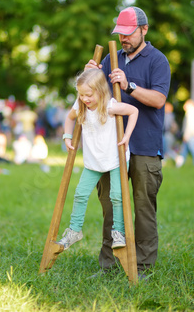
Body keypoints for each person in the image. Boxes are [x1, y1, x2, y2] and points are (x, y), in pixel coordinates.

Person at [84, 6, 171, 277]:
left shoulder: (158, 60)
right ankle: (109, 265)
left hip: (144, 147)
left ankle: (143, 267)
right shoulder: (112, 58)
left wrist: (129, 85)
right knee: (110, 208)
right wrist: (92, 75)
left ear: (144, 30)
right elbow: (96, 96)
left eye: (129, 33)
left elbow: (158, 100)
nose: (124, 39)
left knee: (143, 210)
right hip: (111, 148)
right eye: (120, 34)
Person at [56, 69, 138, 251]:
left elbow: (133, 111)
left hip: (115, 158)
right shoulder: (81, 105)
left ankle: (119, 232)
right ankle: (74, 230)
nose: (85, 98)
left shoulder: (110, 106)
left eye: (89, 95)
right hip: (93, 161)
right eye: (81, 95)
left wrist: (127, 136)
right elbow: (69, 118)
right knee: (80, 193)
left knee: (117, 196)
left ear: (100, 90)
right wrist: (67, 136)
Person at [176, 99, 194, 167]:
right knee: (184, 150)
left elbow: (189, 125)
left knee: (193, 149)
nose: (184, 106)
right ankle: (179, 164)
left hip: (190, 135)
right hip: (192, 134)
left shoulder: (191, 112)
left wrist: (186, 135)